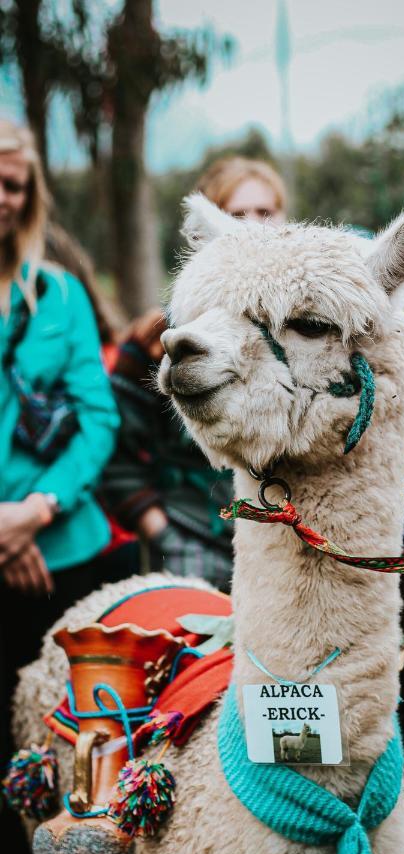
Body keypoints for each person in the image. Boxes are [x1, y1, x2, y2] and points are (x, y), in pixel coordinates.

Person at [0, 120, 120, 854]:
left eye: (12, 185)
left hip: (60, 560)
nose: (0, 199)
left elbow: (98, 416)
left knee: (72, 752)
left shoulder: (60, 295)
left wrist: (33, 511)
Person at [101, 156, 287, 591]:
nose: (255, 226)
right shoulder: (161, 336)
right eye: (238, 215)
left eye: (267, 212)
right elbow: (116, 451)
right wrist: (159, 529)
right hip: (189, 542)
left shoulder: (299, 336)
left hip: (279, 535)